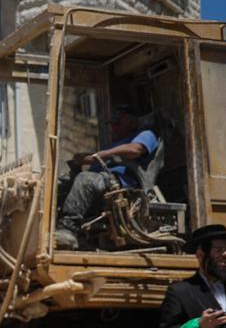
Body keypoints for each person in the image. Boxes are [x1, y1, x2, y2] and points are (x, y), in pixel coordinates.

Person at [54, 104, 159, 250]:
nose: (113, 128)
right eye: (112, 124)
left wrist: (100, 155)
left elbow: (135, 150)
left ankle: (68, 229)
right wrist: (81, 160)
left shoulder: (146, 135)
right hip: (101, 180)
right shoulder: (113, 144)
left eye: (118, 123)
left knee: (87, 179)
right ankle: (53, 227)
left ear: (132, 122)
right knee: (58, 184)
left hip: (120, 183)